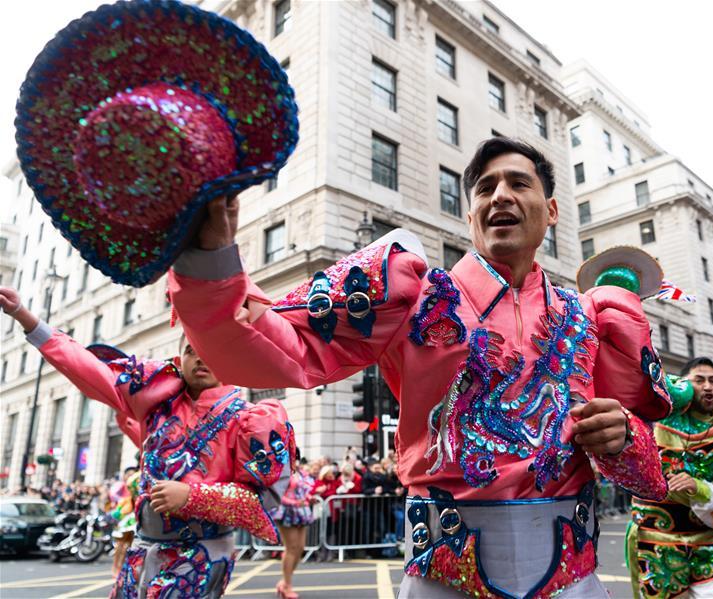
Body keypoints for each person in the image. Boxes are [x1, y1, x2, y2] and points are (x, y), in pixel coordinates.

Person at [168, 136, 672, 598]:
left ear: (552, 210)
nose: (500, 196)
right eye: (485, 188)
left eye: (519, 184)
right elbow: (270, 346)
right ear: (470, 216)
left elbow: (651, 480)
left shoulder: (587, 318)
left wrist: (622, 437)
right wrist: (210, 257)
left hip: (573, 582)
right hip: (442, 580)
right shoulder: (416, 296)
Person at [0, 286, 294, 599]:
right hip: (142, 552)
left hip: (201, 557)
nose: (201, 358)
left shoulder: (250, 419)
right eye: (192, 350)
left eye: (212, 350)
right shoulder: (155, 402)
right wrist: (26, 318)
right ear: (179, 359)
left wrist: (193, 496)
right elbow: (89, 369)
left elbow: (265, 500)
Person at [627, 357, 713, 599]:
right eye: (699, 380)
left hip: (712, 545)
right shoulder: (650, 425)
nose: (707, 386)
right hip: (656, 544)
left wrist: (700, 489)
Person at [272, 450, 316, 599]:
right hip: (286, 512)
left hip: (301, 512)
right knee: (291, 548)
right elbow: (279, 495)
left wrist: (309, 498)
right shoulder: (281, 472)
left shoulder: (301, 472)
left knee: (300, 548)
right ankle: (287, 585)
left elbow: (304, 491)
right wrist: (296, 503)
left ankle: (284, 581)